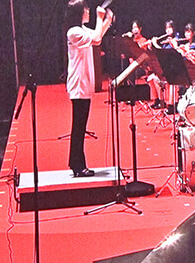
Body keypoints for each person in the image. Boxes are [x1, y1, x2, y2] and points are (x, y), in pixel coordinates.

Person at [65, 2, 114, 178]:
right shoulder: (73, 32)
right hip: (78, 84)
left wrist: (107, 20)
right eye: (85, 10)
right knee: (79, 126)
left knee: (80, 125)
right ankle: (78, 165)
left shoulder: (82, 29)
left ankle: (76, 162)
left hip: (84, 83)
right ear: (78, 13)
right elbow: (96, 39)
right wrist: (100, 18)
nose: (88, 12)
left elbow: (97, 35)